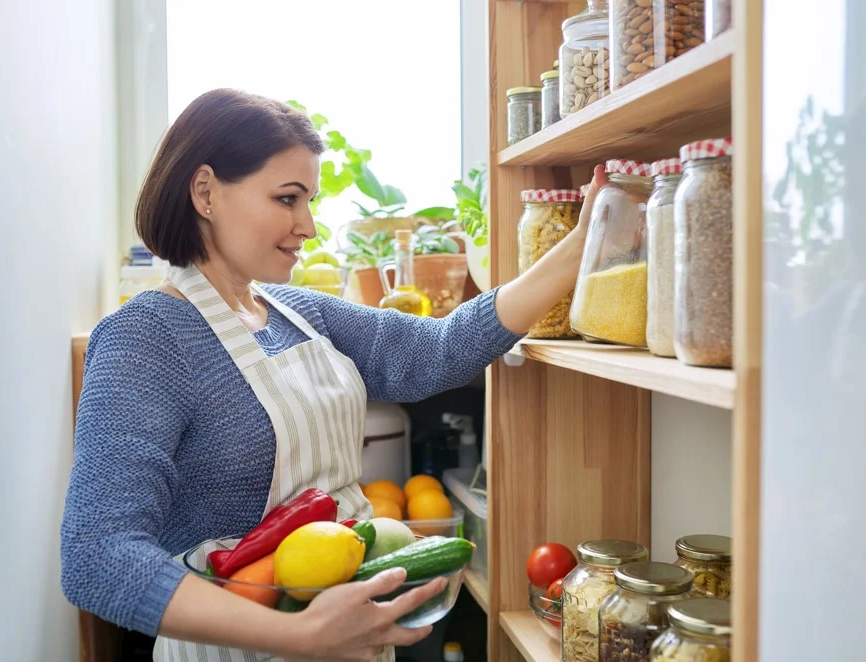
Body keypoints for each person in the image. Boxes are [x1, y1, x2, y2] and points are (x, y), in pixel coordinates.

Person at [60, 88, 606, 662]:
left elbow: (439, 349)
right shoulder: (144, 337)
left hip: (350, 638)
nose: (309, 226)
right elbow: (97, 555)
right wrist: (301, 635)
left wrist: (577, 248)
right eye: (287, 198)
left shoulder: (301, 311)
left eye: (310, 201)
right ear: (205, 192)